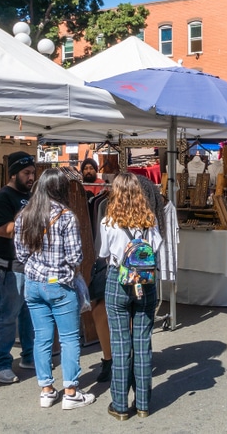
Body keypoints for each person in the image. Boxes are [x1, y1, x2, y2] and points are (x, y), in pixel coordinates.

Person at [15, 168, 96, 410]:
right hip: (59, 285)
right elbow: (75, 256)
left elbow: (20, 254)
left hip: (33, 284)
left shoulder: (24, 216)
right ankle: (71, 391)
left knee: (42, 338)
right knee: (70, 338)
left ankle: (47, 390)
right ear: (60, 189)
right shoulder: (66, 216)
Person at [99, 173, 163, 420]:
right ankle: (144, 403)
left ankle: (120, 405)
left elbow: (104, 252)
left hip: (118, 282)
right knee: (143, 342)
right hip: (145, 283)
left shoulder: (108, 222)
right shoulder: (150, 220)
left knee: (120, 343)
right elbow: (156, 249)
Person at [0, 151, 37, 384]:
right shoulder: (2, 198)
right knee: (7, 317)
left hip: (29, 265)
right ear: (14, 173)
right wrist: (29, 221)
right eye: (26, 173)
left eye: (33, 174)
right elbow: (1, 230)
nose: (31, 178)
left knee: (29, 315)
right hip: (8, 268)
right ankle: (1, 364)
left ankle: (28, 356)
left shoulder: (31, 195)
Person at [79, 157, 113, 382]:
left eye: (92, 167)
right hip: (134, 275)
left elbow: (103, 248)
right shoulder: (87, 195)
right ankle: (120, 358)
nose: (89, 171)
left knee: (101, 309)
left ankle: (110, 359)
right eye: (86, 168)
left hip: (108, 267)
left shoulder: (103, 205)